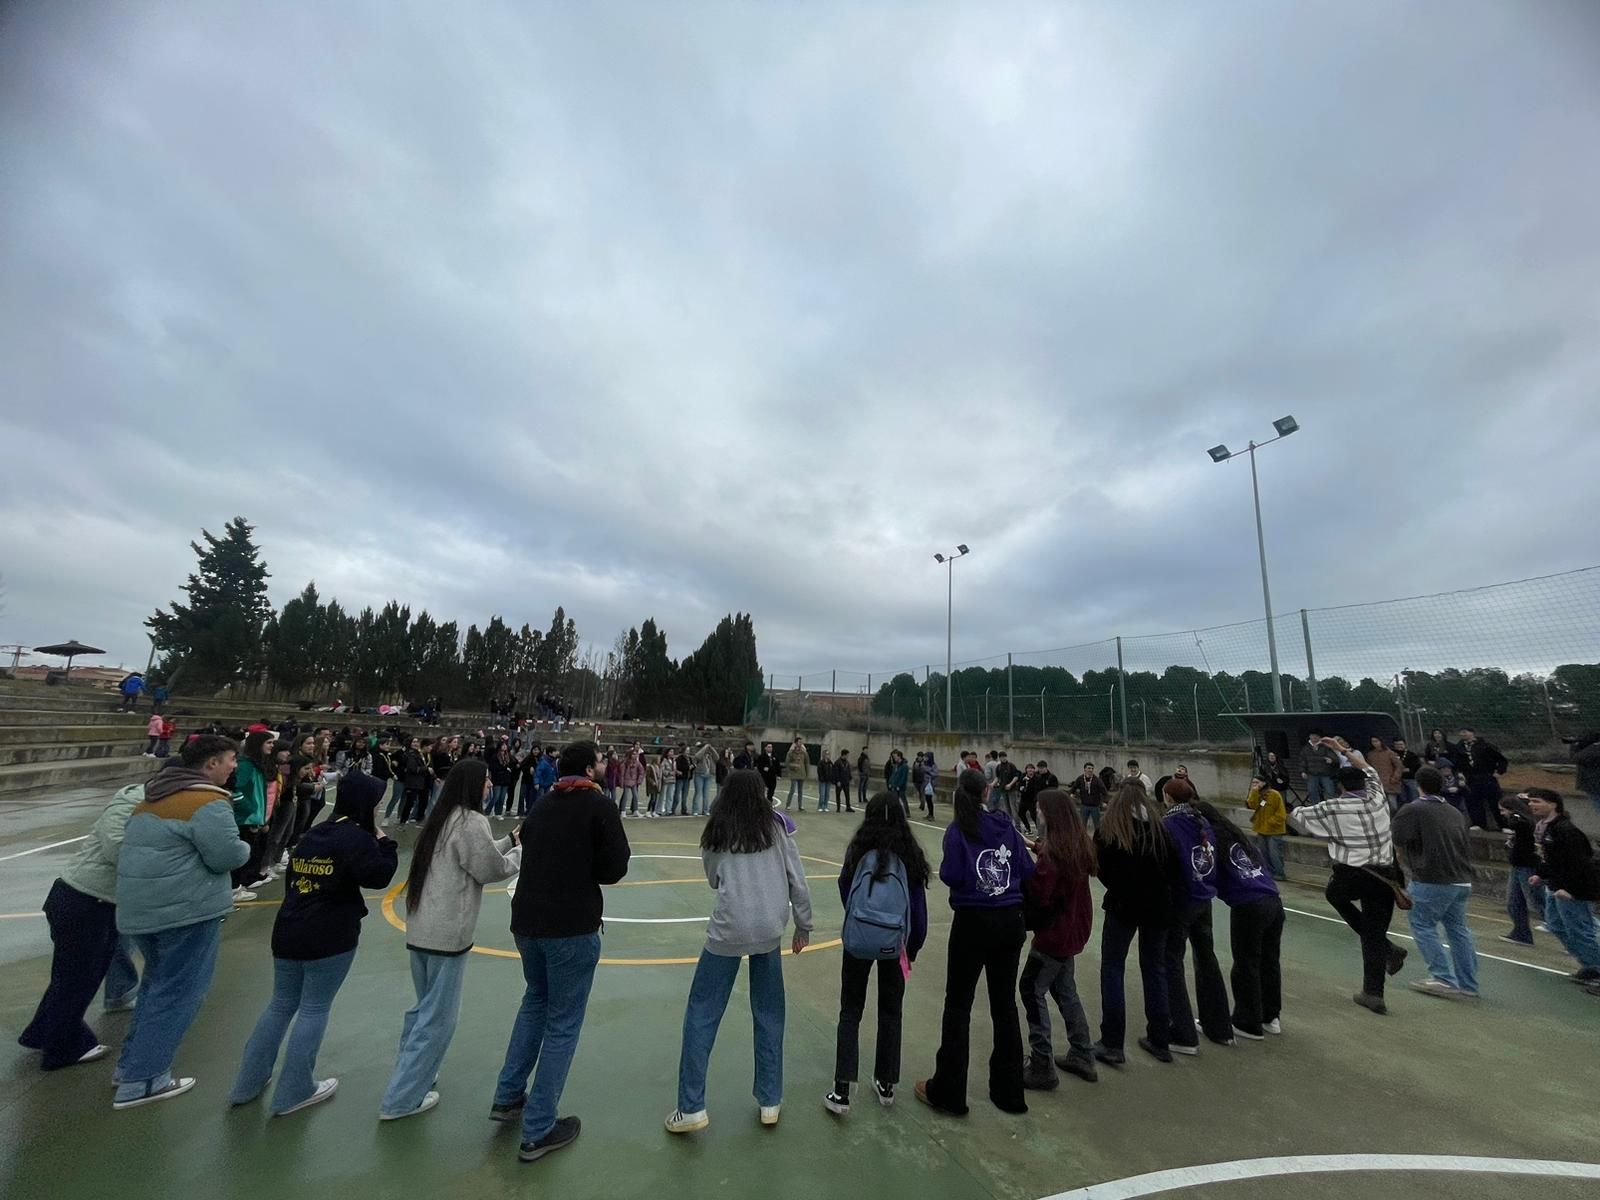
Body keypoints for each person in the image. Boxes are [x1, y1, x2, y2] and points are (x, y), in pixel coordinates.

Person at [228, 768, 399, 1115]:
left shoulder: (314, 834)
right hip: (330, 932)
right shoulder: (356, 838)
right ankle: (294, 1090)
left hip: (290, 927)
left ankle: (247, 1082)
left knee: (279, 1004)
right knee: (314, 1008)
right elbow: (379, 876)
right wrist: (384, 840)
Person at [494, 741, 631, 1163]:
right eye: (601, 760)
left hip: (528, 923)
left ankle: (508, 1096)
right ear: (590, 768)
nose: (605, 765)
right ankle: (538, 1130)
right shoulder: (599, 806)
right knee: (562, 1023)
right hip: (570, 927)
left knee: (535, 1001)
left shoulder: (542, 804)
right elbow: (614, 868)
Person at [665, 770, 813, 1134]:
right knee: (769, 1014)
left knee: (702, 1013)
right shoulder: (777, 827)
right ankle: (770, 1101)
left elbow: (713, 878)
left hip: (728, 930)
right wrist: (803, 924)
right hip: (769, 930)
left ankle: (691, 1107)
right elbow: (798, 878)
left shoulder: (717, 831)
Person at [379, 760, 522, 1120]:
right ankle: (401, 1098)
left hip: (422, 927)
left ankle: (414, 1072)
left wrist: (510, 840)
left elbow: (475, 853)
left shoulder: (443, 817)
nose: (489, 785)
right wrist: (521, 852)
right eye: (486, 780)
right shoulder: (472, 821)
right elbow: (491, 868)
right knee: (439, 1018)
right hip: (448, 934)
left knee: (423, 1009)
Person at [111, 736, 249, 1108]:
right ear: (210, 764)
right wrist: (245, 847)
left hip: (142, 912)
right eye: (230, 760)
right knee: (179, 993)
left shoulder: (151, 797)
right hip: (184, 911)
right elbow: (226, 856)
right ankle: (144, 1080)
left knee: (156, 987)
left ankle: (132, 1067)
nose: (234, 767)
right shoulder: (207, 802)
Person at [916, 769, 1035, 1117]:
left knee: (958, 1006)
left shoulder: (959, 830)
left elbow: (951, 875)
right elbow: (1026, 872)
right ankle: (1010, 1092)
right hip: (1010, 920)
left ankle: (950, 1092)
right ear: (986, 792)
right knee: (1004, 1005)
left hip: (973, 922)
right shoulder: (1006, 827)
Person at [18, 781, 145, 1070]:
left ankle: (41, 1033)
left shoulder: (141, 804)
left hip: (89, 900)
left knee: (70, 977)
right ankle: (63, 1049)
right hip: (86, 901)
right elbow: (118, 849)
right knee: (78, 980)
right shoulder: (130, 803)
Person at [824, 794, 929, 1115]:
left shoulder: (858, 852)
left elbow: (845, 889)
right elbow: (919, 916)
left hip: (858, 941)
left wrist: (860, 925)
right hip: (895, 945)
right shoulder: (910, 856)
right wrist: (909, 951)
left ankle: (842, 1090)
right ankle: (886, 1084)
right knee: (890, 1011)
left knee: (850, 1011)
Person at [1287, 738, 1407, 1015]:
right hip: (1385, 875)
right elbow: (1368, 768)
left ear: (1340, 786)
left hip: (1353, 874)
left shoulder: (1332, 807)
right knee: (1374, 932)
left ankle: (1386, 959)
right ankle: (1374, 991)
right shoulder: (1377, 797)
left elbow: (1296, 819)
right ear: (1363, 783)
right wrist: (1343, 751)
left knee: (1334, 895)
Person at [1092, 780, 1179, 1065]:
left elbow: (1098, 866)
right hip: (1158, 907)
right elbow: (1172, 868)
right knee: (1155, 969)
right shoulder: (1159, 829)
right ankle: (1160, 1038)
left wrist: (1118, 886)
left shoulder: (1111, 829)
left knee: (1113, 967)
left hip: (1123, 905)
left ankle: (1112, 1042)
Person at [1019, 790, 1097, 1090]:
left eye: (1040, 810)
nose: (1037, 814)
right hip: (1073, 930)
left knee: (1031, 989)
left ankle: (1042, 1064)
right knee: (1065, 990)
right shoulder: (1075, 845)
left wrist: (1024, 869)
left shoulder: (1054, 856)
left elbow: (1039, 892)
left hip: (1054, 935)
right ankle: (1083, 1052)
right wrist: (1036, 847)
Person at [1195, 802, 1284, 1040]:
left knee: (1246, 963)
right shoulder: (1237, 837)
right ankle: (1270, 1015)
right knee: (1269, 961)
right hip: (1272, 900)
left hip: (1249, 904)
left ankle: (1247, 1021)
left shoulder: (1211, 840)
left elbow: (1208, 874)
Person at [1391, 766, 1480, 1000]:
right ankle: (1468, 983)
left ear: (1418, 785)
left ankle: (1442, 978)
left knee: (1422, 925)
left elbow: (1398, 838)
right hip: (1460, 878)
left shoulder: (1413, 810)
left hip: (1431, 877)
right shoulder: (1454, 811)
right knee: (1458, 930)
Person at [1158, 778, 1233, 1052]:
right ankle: (1220, 1026)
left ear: (1167, 796)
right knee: (1206, 957)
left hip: (1182, 899)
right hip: (1204, 897)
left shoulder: (1169, 825)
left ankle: (1183, 1032)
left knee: (1171, 961)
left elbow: (1165, 862)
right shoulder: (1201, 820)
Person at [1525, 788, 1600, 984]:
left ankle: (1596, 967)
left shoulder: (1565, 830)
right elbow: (1551, 858)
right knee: (1556, 924)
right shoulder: (1545, 828)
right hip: (1555, 885)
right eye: (1530, 801)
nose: (1532, 805)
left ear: (1553, 804)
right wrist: (1541, 875)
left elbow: (1579, 863)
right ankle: (1589, 964)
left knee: (1580, 930)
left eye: (1537, 801)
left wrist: (1572, 889)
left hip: (1571, 890)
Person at [1497, 794, 1545, 946]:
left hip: (1528, 866)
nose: (1502, 814)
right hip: (1518, 865)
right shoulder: (1521, 823)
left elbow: (1519, 824)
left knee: (1538, 902)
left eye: (1503, 810)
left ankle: (1570, 936)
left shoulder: (1524, 822)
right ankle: (1521, 933)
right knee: (1514, 902)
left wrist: (1515, 814)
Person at [1454, 728, 1508, 830]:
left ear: (1472, 733)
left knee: (1495, 801)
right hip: (1470, 779)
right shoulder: (1459, 748)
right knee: (1473, 802)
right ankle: (1478, 824)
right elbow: (1456, 764)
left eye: (1465, 731)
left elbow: (1501, 760)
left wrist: (1499, 772)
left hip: (1487, 777)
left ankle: (1503, 825)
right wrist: (1460, 775)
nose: (1463, 734)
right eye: (1461, 732)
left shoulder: (1485, 745)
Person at [1245, 774, 1289, 881]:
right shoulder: (1256, 794)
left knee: (1274, 853)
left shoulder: (1274, 794)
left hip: (1274, 830)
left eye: (1257, 782)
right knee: (1263, 852)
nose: (1255, 785)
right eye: (1253, 782)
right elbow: (1252, 805)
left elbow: (1281, 814)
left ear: (1264, 783)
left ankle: (1279, 873)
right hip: (1261, 829)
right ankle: (1268, 871)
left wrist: (1270, 823)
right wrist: (1254, 792)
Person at [1299, 730, 1341, 805]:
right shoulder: (1305, 748)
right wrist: (1303, 771)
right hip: (1311, 774)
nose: (1314, 736)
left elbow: (1335, 758)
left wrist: (1331, 760)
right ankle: (1316, 809)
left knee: (1330, 792)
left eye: (1316, 735)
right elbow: (1302, 761)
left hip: (1325, 774)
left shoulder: (1326, 747)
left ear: (1320, 737)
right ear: (1309, 736)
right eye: (1312, 735)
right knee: (1312, 792)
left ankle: (1331, 807)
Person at [399, 736, 431, 825]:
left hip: (420, 781)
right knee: (409, 802)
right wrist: (426, 769)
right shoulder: (409, 754)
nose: (416, 744)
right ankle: (403, 820)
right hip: (412, 782)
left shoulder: (418, 753)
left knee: (422, 801)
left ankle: (418, 818)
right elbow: (412, 768)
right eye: (413, 742)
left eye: (417, 742)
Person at [1067, 762, 1107, 832]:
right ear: (1084, 769)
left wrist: (1104, 801)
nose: (1090, 770)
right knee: (1082, 825)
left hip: (1095, 806)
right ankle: (1083, 840)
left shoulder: (1097, 780)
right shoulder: (1080, 778)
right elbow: (1073, 787)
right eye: (1089, 768)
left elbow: (1104, 791)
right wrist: (1072, 793)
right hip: (1084, 806)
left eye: (1092, 768)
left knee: (1097, 825)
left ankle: (1097, 840)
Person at [1368, 737, 1403, 813]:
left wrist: (1395, 777)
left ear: (1381, 742)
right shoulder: (1371, 754)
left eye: (1376, 741)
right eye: (1373, 742)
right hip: (1377, 782)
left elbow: (1399, 766)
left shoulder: (1390, 753)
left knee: (1393, 805)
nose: (1375, 743)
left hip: (1390, 781)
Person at [1393, 738, 1423, 805]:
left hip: (1410, 779)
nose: (1399, 746)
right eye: (1397, 744)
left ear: (1405, 744)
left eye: (1401, 744)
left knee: (1414, 797)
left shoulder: (1411, 755)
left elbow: (1416, 767)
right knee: (1402, 798)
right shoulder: (1392, 755)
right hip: (1398, 780)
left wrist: (1408, 770)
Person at [784, 737, 810, 812]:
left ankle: (800, 806)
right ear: (795, 743)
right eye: (799, 742)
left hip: (802, 773)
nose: (800, 744)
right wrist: (793, 766)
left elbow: (807, 762)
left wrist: (807, 773)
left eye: (801, 742)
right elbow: (787, 763)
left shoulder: (804, 752)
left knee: (800, 791)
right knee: (792, 790)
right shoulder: (791, 752)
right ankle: (788, 805)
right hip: (794, 773)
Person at [693, 741, 719, 816]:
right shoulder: (700, 754)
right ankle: (695, 810)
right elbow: (697, 756)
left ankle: (705, 810)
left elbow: (717, 757)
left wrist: (711, 748)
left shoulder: (710, 755)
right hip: (699, 775)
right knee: (698, 793)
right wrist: (705, 747)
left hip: (709, 775)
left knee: (706, 794)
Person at [618, 747, 644, 818]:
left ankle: (635, 810)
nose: (635, 756)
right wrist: (621, 782)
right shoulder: (625, 763)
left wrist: (639, 780)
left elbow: (641, 771)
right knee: (625, 796)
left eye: (636, 754)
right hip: (626, 781)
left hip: (634, 781)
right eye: (633, 754)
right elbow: (622, 774)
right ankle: (623, 811)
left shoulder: (637, 763)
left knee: (635, 796)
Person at [833, 749, 855, 814]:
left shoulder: (847, 762)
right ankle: (838, 808)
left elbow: (848, 771)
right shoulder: (837, 762)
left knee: (847, 795)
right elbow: (836, 772)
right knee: (838, 795)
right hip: (840, 781)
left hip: (846, 781)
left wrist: (850, 778)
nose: (848, 756)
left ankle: (848, 807)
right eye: (847, 755)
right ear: (844, 755)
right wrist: (837, 781)